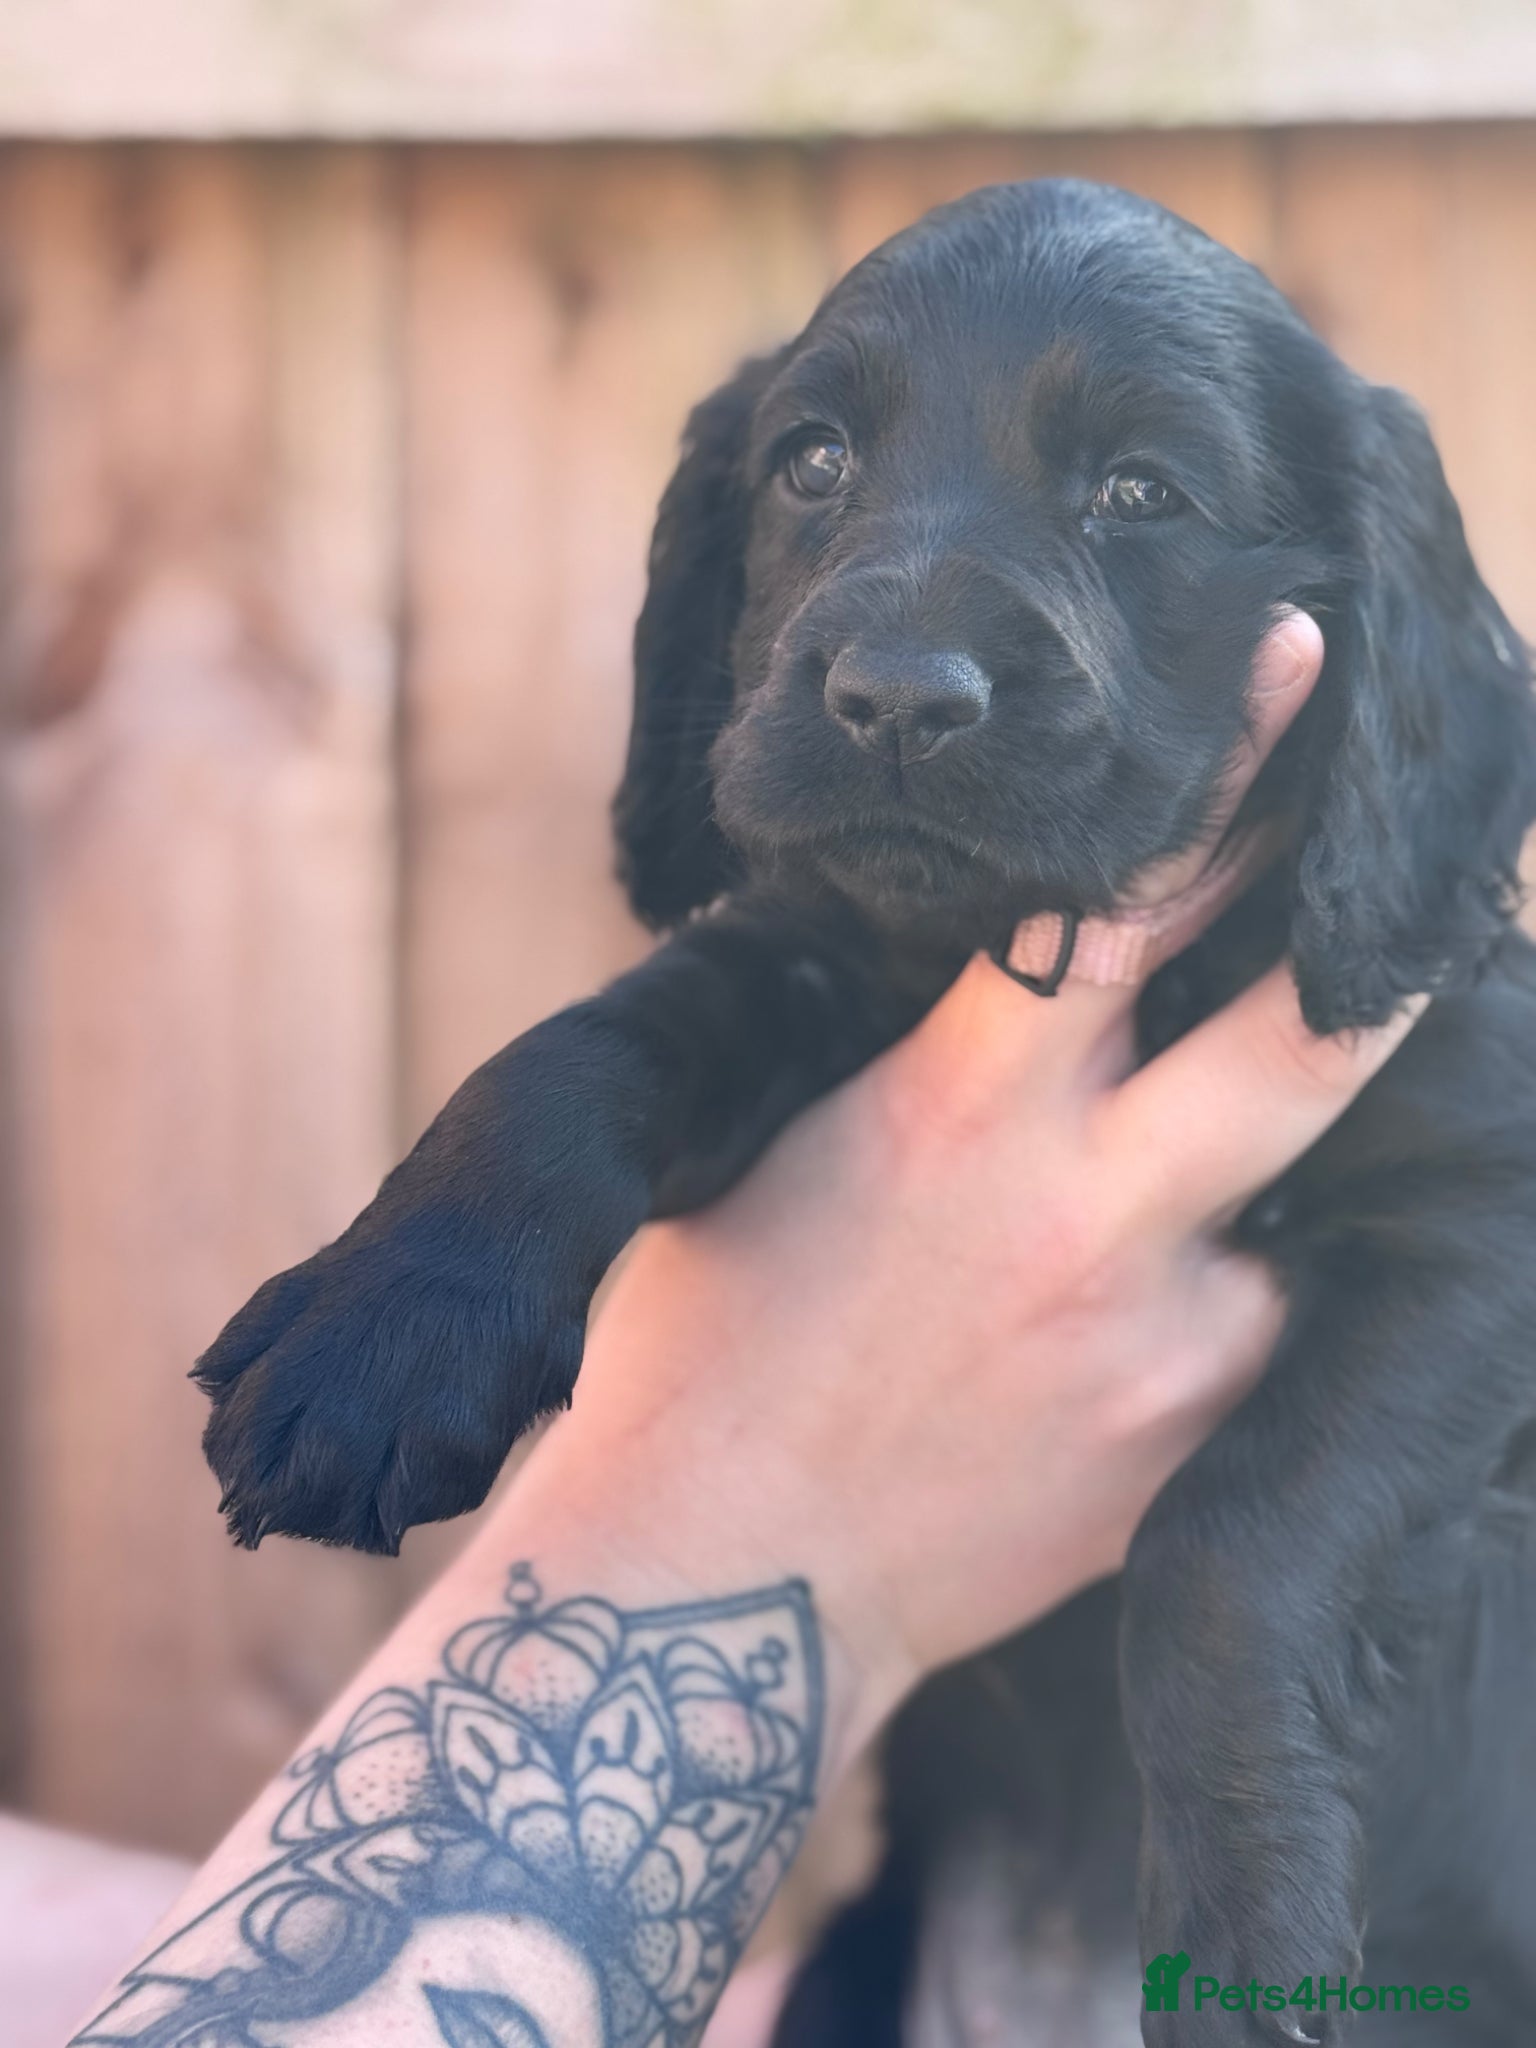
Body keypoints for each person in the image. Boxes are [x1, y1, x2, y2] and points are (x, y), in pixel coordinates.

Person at [57, 615, 1421, 2047]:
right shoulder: (841, 924)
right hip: (934, 1930)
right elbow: (695, 1028)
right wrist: (483, 1263)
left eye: (1138, 503)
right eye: (823, 490)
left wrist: (1248, 1697)